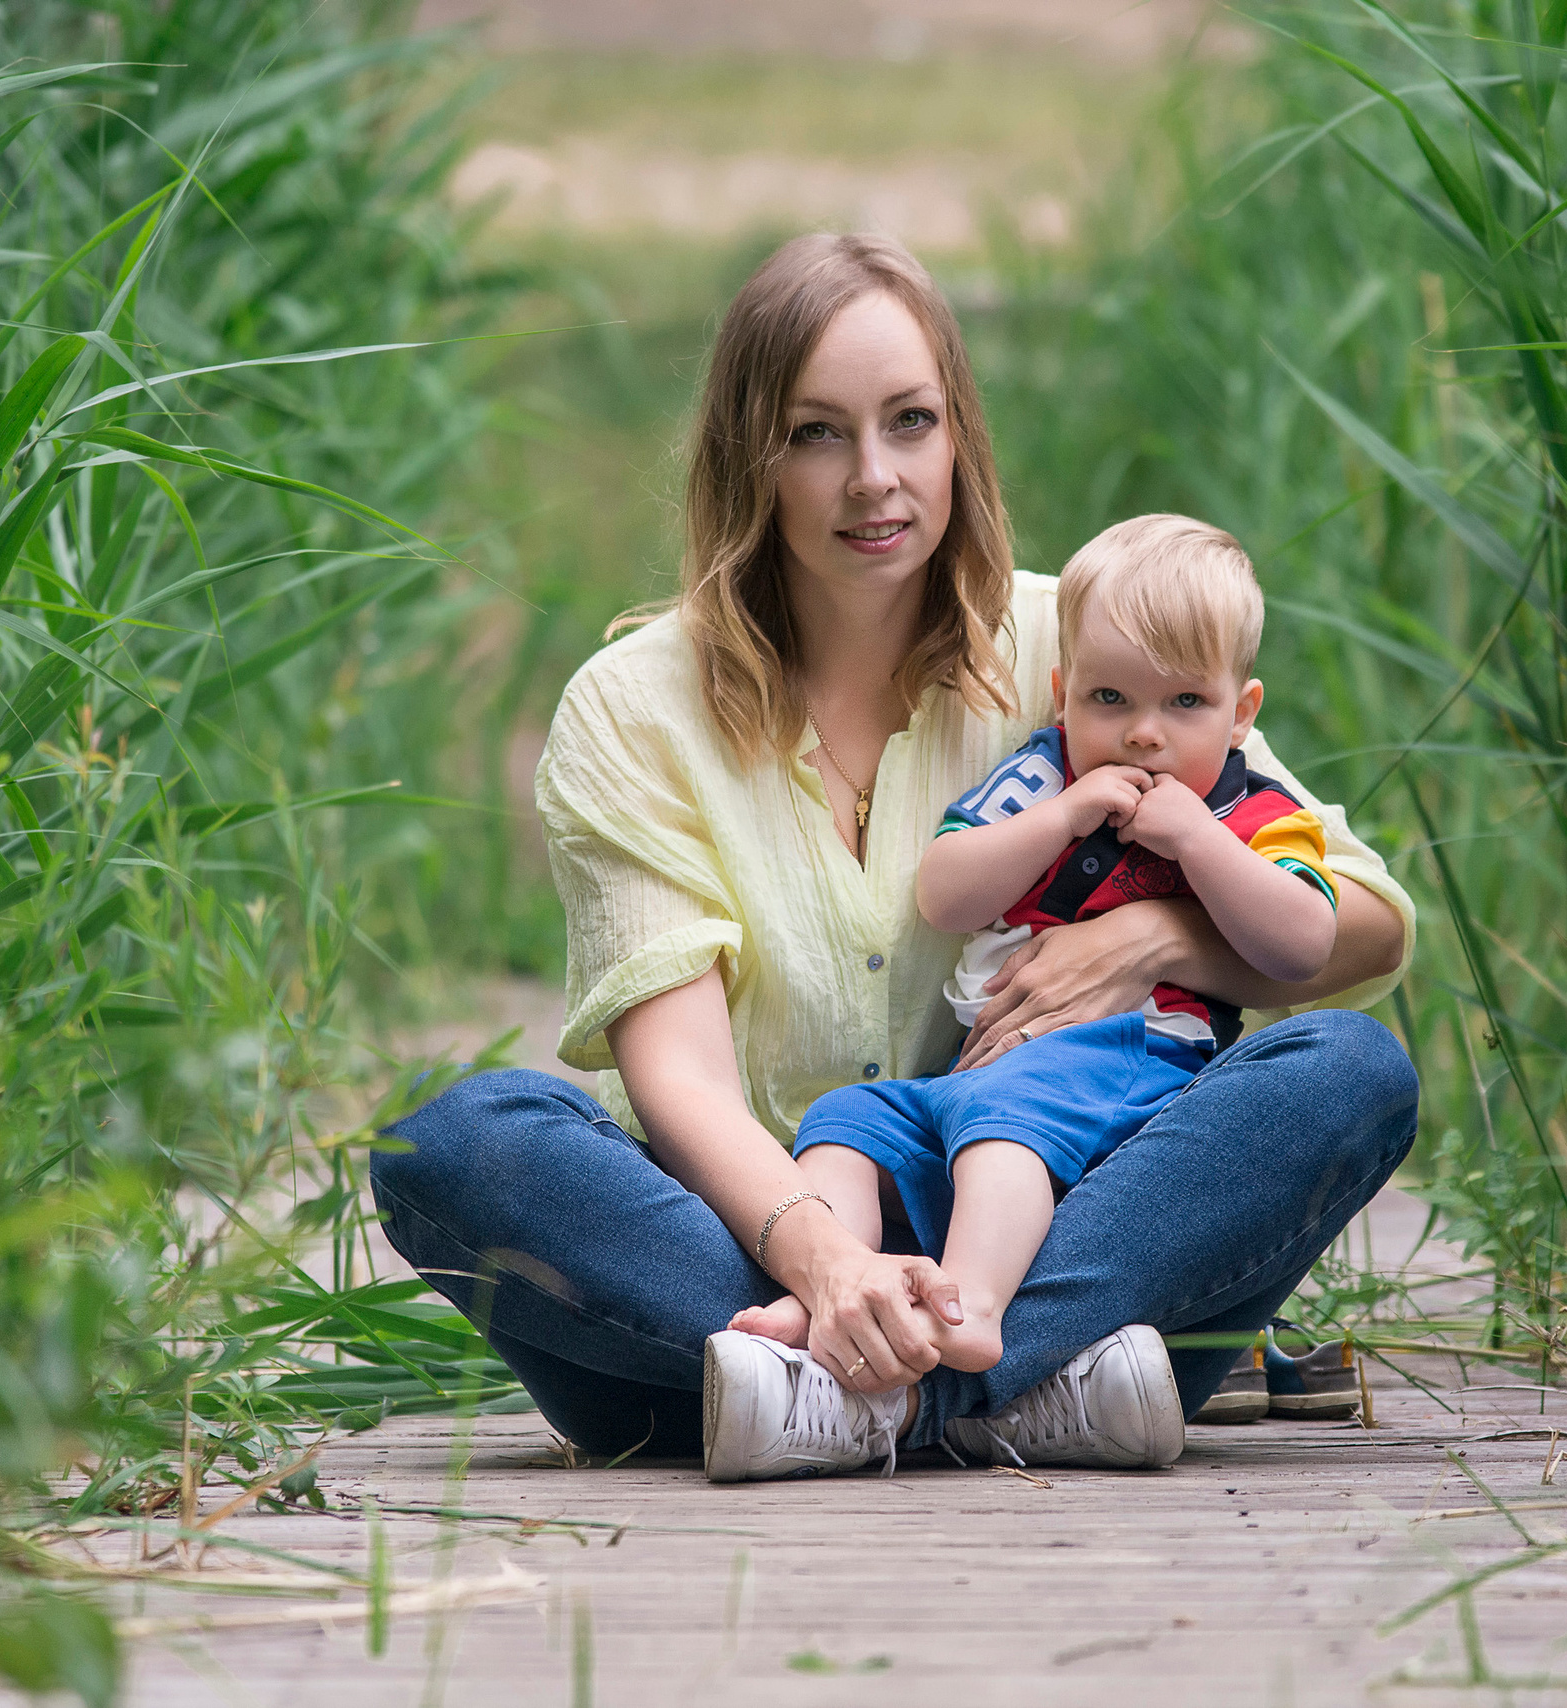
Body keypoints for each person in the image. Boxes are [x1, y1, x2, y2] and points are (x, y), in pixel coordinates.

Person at [369, 231, 1419, 1487]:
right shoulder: (630, 710)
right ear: (746, 456)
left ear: (957, 436)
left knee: (1349, 1066)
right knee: (458, 1144)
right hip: (754, 1245)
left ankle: (820, 1393)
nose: (875, 478)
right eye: (817, 433)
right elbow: (683, 1082)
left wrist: (1158, 936)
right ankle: (1024, 1384)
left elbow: (1362, 919)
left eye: (909, 422)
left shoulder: (1081, 644)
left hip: (1061, 1231)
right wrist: (832, 1268)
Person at [724, 516, 1341, 1378]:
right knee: (844, 1121)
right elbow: (944, 892)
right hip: (970, 1075)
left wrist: (1200, 843)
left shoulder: (1258, 816)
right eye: (1109, 700)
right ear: (1063, 695)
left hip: (1130, 1062)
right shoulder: (1044, 775)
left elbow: (1307, 944)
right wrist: (1060, 818)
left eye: (1185, 704)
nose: (1144, 734)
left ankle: (971, 1312)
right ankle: (837, 1286)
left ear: (1242, 714)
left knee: (1006, 1120)